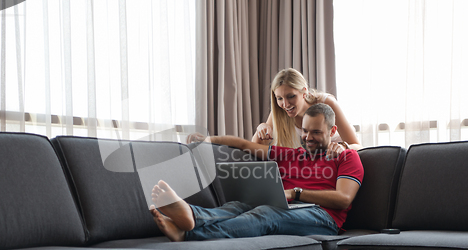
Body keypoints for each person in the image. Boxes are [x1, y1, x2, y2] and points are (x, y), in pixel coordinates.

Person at [149, 103, 364, 242]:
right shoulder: (290, 154)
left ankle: (188, 234)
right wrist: (209, 140)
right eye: (305, 131)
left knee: (267, 215)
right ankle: (192, 215)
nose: (308, 137)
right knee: (238, 206)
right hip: (286, 207)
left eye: (316, 132)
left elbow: (343, 199)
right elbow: (243, 145)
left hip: (323, 218)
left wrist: (295, 193)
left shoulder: (346, 156)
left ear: (332, 131)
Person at [252, 68, 362, 155]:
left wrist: (343, 147)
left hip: (337, 158)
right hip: (316, 162)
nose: (285, 104)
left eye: (291, 96)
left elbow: (358, 146)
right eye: (279, 98)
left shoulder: (327, 103)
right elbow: (253, 147)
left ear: (304, 92)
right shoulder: (280, 110)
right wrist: (261, 128)